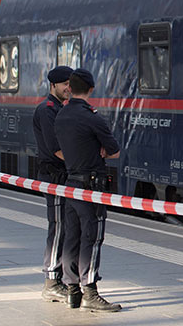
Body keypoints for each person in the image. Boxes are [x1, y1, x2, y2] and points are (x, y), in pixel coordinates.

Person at [54, 68, 122, 312]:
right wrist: (98, 150)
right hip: (91, 186)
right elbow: (114, 150)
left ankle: (72, 290)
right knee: (92, 238)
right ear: (91, 89)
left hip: (70, 183)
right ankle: (90, 291)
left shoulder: (60, 116)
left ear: (70, 88)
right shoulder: (92, 117)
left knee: (71, 238)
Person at [32, 65, 73, 303]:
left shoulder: (59, 109)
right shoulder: (47, 110)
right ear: (53, 85)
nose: (69, 88)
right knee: (57, 228)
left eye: (71, 84)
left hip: (63, 176)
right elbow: (55, 149)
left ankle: (61, 279)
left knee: (65, 228)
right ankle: (51, 281)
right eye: (65, 84)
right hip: (54, 176)